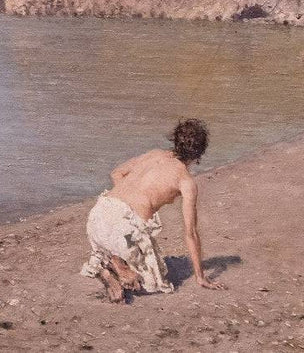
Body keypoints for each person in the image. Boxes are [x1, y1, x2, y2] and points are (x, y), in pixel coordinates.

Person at [81, 119, 225, 302]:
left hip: (99, 214)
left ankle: (111, 263)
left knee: (134, 247)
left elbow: (116, 173)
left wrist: (130, 204)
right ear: (199, 152)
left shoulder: (155, 154)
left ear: (175, 140)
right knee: (152, 283)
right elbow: (191, 233)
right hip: (121, 229)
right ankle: (119, 267)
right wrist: (200, 276)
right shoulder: (186, 181)